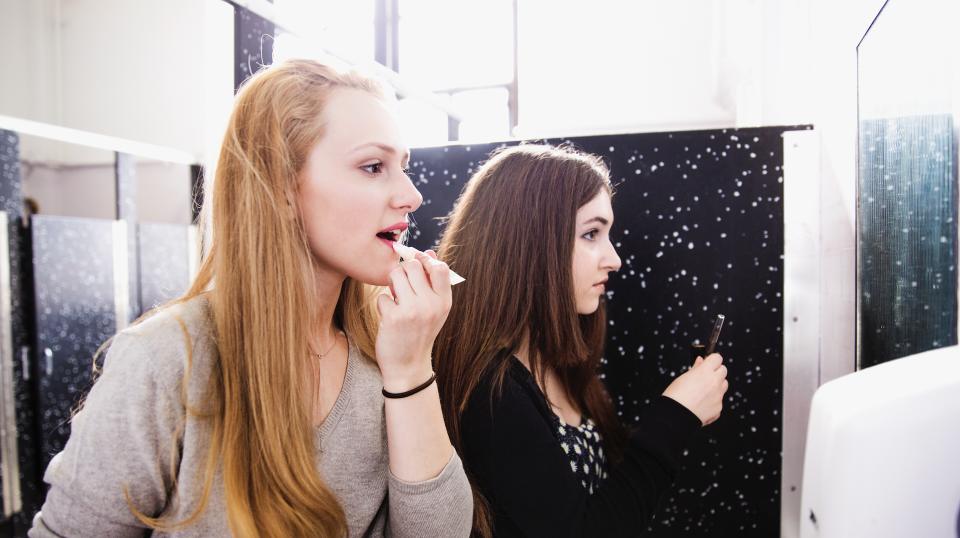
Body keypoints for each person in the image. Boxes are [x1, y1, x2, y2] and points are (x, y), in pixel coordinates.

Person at [29, 59, 473, 538]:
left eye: (403, 169)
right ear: (281, 187)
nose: (411, 196)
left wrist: (409, 369)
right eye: (373, 167)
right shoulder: (165, 359)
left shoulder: (385, 354)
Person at [432, 144, 729, 537]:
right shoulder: (491, 390)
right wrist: (676, 417)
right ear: (528, 244)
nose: (614, 258)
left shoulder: (550, 357)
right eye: (591, 234)